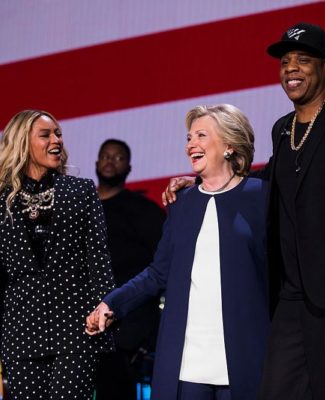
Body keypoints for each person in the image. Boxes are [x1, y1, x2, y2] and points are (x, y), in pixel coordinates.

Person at [163, 22, 325, 399]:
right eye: (285, 62)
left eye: (303, 60)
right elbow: (269, 179)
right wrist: (202, 181)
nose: (291, 68)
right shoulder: (283, 129)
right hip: (293, 298)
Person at [86, 104, 269, 400]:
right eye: (188, 137)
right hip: (188, 358)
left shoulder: (261, 196)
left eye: (201, 135)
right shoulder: (182, 202)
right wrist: (112, 304)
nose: (190, 145)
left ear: (229, 145)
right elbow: (159, 272)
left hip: (244, 352)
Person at [0, 109, 115, 400]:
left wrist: (107, 307)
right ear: (22, 144)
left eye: (58, 133)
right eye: (45, 134)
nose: (56, 140)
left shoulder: (81, 192)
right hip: (23, 335)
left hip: (76, 330)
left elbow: (99, 260)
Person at [93, 139, 166, 399]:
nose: (111, 161)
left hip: (125, 335)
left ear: (129, 167)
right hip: (79, 330)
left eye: (118, 157)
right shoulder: (80, 211)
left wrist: (143, 334)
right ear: (96, 162)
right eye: (106, 156)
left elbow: (163, 267)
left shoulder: (144, 213)